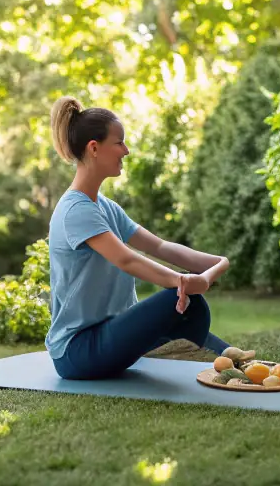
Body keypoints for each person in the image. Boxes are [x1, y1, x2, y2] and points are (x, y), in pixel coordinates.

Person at [45, 96, 231, 380]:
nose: (126, 150)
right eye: (119, 142)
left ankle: (227, 356)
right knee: (176, 299)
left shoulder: (105, 207)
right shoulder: (75, 211)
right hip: (77, 352)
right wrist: (180, 281)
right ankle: (221, 356)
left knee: (192, 307)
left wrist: (215, 262)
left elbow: (159, 246)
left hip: (109, 334)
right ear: (94, 148)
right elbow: (126, 259)